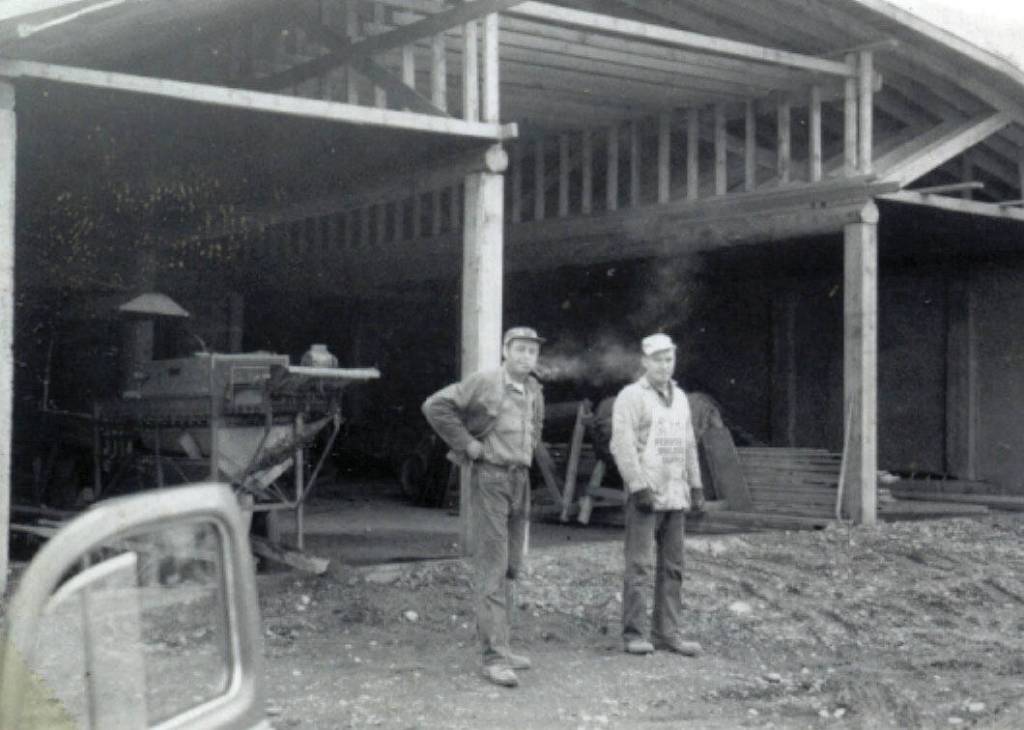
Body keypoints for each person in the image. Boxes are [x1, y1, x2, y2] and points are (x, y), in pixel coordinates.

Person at [421, 326, 546, 688]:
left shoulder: (535, 390)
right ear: (505, 350)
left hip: (519, 479)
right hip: (491, 478)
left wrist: (526, 452)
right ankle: (493, 659)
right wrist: (469, 446)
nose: (526, 356)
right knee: (493, 565)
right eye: (519, 349)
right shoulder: (486, 381)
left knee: (511, 566)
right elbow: (435, 406)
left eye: (532, 351)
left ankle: (503, 647)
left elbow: (535, 426)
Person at [609, 333, 705, 657]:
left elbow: (688, 442)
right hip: (646, 495)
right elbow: (621, 444)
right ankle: (634, 635)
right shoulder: (631, 397)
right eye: (658, 359)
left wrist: (696, 485)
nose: (665, 365)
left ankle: (668, 633)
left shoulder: (681, 398)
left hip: (675, 493)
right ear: (645, 362)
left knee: (674, 567)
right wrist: (638, 486)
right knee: (639, 566)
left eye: (669, 359)